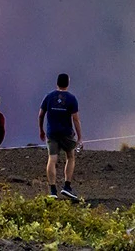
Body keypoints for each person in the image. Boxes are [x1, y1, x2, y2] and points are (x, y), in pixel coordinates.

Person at [38, 73, 82, 201]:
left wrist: (41, 130)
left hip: (52, 133)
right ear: (68, 83)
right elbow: (76, 119)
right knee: (70, 156)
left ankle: (52, 190)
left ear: (57, 83)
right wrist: (80, 137)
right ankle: (67, 186)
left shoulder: (49, 97)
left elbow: (40, 115)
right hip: (66, 133)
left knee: (52, 159)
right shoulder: (72, 98)